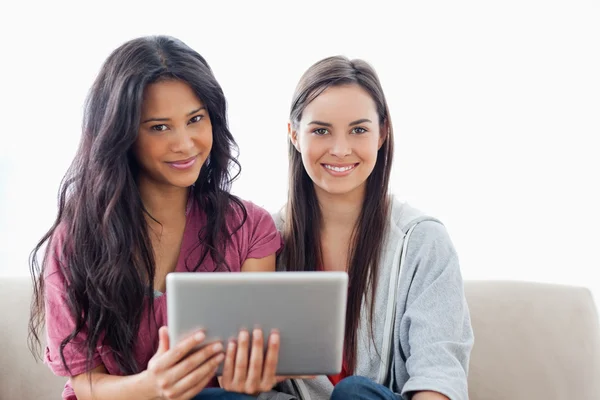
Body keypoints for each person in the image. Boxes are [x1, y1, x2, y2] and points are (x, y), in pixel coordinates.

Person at [28, 35, 284, 400]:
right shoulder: (76, 239)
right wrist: (151, 387)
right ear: (122, 134)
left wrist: (250, 378)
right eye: (159, 127)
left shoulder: (249, 227)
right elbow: (86, 383)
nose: (184, 143)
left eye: (195, 119)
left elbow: (249, 359)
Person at [273, 56, 474, 400]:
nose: (340, 149)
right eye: (321, 130)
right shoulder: (264, 240)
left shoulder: (422, 240)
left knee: (353, 394)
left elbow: (439, 373)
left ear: (382, 133)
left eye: (359, 130)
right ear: (294, 134)